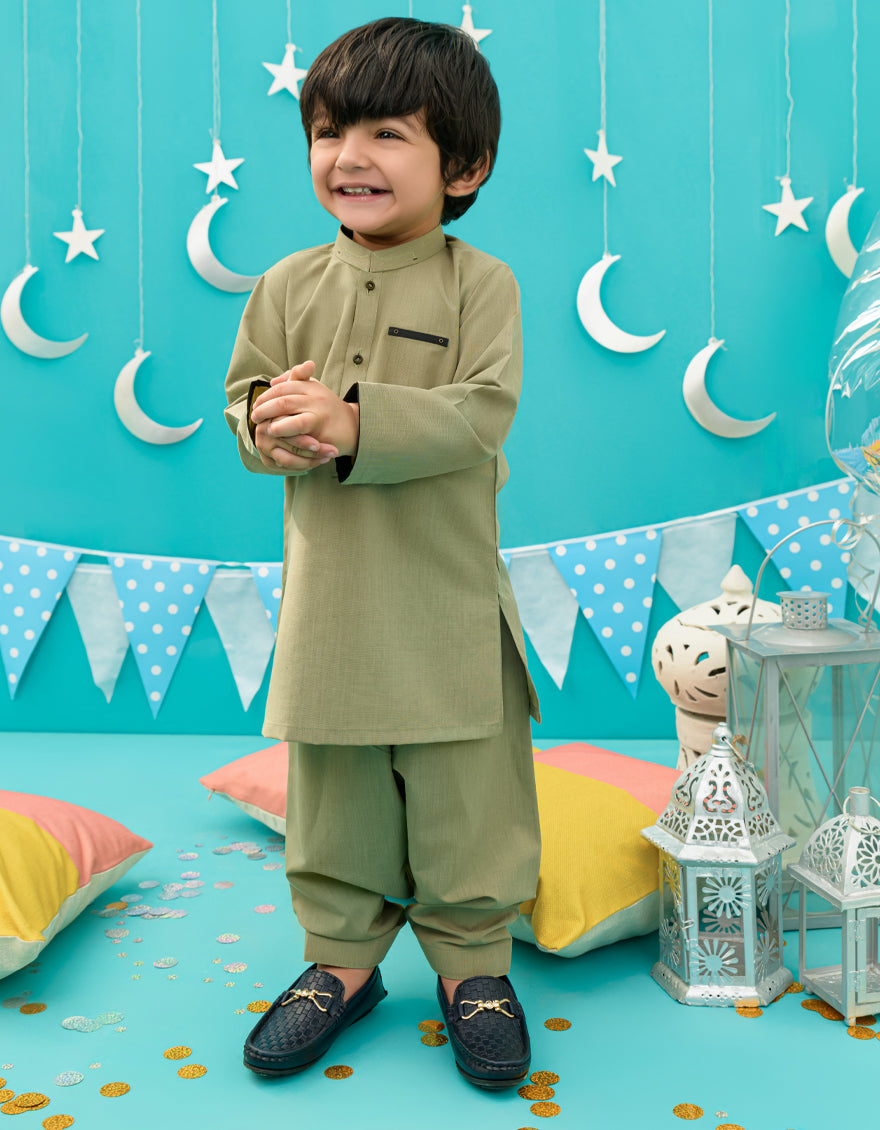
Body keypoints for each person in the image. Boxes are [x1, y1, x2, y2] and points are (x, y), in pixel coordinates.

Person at [224, 16, 542, 1091]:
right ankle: (341, 963)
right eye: (328, 131)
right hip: (332, 601)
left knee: (468, 795)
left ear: (464, 166)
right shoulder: (283, 285)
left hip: (447, 598)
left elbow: (482, 412)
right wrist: (270, 428)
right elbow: (245, 402)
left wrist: (355, 421)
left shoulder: (479, 283)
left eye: (386, 133)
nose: (348, 156)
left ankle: (475, 967)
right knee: (336, 793)